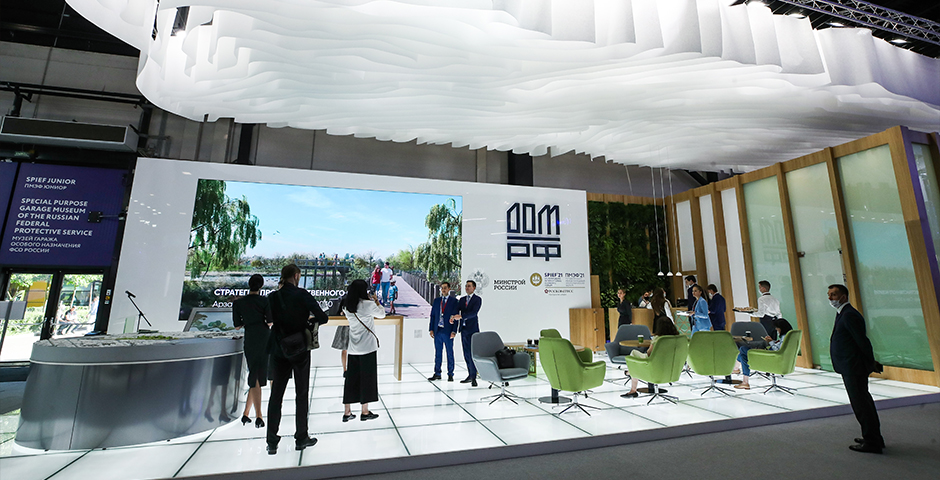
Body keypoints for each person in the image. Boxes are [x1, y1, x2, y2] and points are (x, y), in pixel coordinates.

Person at [265, 264, 329, 455]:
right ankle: (301, 437)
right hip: (299, 348)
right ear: (296, 275)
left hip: (279, 348)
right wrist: (308, 322)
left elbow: (268, 320)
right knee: (301, 393)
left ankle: (271, 441)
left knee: (276, 395)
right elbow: (322, 317)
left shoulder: (273, 297)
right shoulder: (302, 294)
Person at [828, 284, 885, 453]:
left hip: (853, 366)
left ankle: (872, 441)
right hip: (850, 365)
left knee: (861, 405)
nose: (830, 298)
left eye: (833, 295)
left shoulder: (849, 315)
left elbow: (862, 341)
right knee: (862, 402)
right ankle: (873, 437)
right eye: (829, 295)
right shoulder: (843, 313)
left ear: (843, 296)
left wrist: (870, 362)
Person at [233, 274, 272, 429]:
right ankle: (259, 415)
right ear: (261, 286)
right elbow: (270, 322)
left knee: (254, 373)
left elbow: (237, 326)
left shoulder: (239, 303)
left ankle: (246, 413)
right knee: (256, 375)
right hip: (264, 338)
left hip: (250, 338)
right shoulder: (265, 301)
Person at [342, 279, 384, 423]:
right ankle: (364, 411)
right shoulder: (368, 305)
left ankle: (347, 412)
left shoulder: (347, 306)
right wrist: (376, 301)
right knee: (367, 379)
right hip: (368, 348)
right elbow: (382, 314)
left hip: (353, 348)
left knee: (351, 379)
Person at [620, 319, 680, 398]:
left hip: (655, 365)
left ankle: (633, 387)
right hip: (671, 367)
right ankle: (630, 372)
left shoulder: (658, 339)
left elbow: (649, 353)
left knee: (634, 354)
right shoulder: (678, 338)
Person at [734, 318, 793, 390]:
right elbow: (781, 348)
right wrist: (773, 342)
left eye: (777, 328)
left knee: (743, 349)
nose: (776, 330)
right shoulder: (790, 335)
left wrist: (771, 342)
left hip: (771, 357)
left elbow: (777, 350)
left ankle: (737, 370)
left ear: (781, 328)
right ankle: (744, 380)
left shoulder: (784, 337)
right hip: (776, 357)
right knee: (743, 355)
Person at [428, 282, 459, 381]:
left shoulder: (454, 301)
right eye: (442, 288)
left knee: (449, 353)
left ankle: (450, 374)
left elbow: (456, 317)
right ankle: (437, 373)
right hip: (438, 330)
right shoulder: (437, 301)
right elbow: (433, 316)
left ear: (449, 289)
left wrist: (454, 331)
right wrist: (431, 329)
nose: (443, 290)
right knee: (438, 353)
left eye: (445, 288)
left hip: (448, 331)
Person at [453, 280, 481, 386]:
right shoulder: (462, 299)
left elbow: (474, 313)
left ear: (474, 288)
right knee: (466, 353)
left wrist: (461, 316)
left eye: (469, 286)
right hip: (464, 329)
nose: (467, 288)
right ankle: (470, 374)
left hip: (473, 330)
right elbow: (456, 310)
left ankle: (474, 376)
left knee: (473, 354)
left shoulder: (477, 299)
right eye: (466, 286)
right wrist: (452, 317)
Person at [331, 295, 350, 379]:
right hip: (346, 325)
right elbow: (338, 313)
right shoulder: (345, 299)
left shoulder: (346, 299)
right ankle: (345, 370)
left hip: (348, 325)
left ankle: (346, 369)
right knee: (345, 349)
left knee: (345, 350)